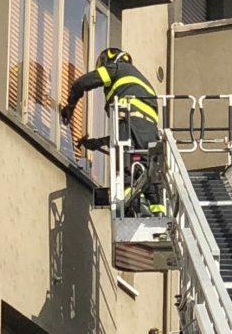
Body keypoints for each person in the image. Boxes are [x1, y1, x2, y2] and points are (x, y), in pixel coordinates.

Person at [60, 47, 165, 216]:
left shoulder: (118, 69)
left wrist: (70, 107)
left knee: (126, 168)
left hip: (129, 123)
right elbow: (126, 134)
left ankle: (131, 206)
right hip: (150, 133)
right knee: (149, 174)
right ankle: (158, 212)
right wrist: (96, 143)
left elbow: (81, 83)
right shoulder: (145, 85)